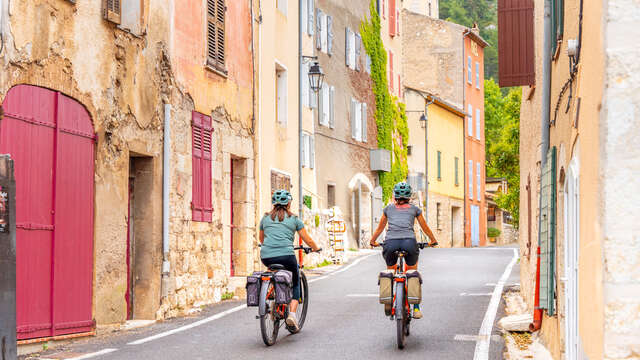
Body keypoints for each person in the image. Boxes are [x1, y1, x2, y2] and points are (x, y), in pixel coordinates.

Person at [369, 182, 438, 319]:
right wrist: (433, 240)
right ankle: (416, 308)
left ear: (394, 196)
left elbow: (380, 228)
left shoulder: (388, 209)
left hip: (390, 243)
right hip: (409, 243)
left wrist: (372, 241)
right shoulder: (415, 209)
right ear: (409, 197)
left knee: (391, 270)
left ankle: (388, 301)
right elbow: (425, 228)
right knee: (412, 272)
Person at [259, 189, 320, 331]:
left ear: (274, 203)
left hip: (266, 256)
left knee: (273, 272)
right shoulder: (294, 219)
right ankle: (292, 314)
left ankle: (272, 297)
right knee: (296, 280)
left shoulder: (265, 218)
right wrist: (316, 248)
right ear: (289, 203)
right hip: (287, 256)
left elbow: (262, 239)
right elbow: (308, 239)